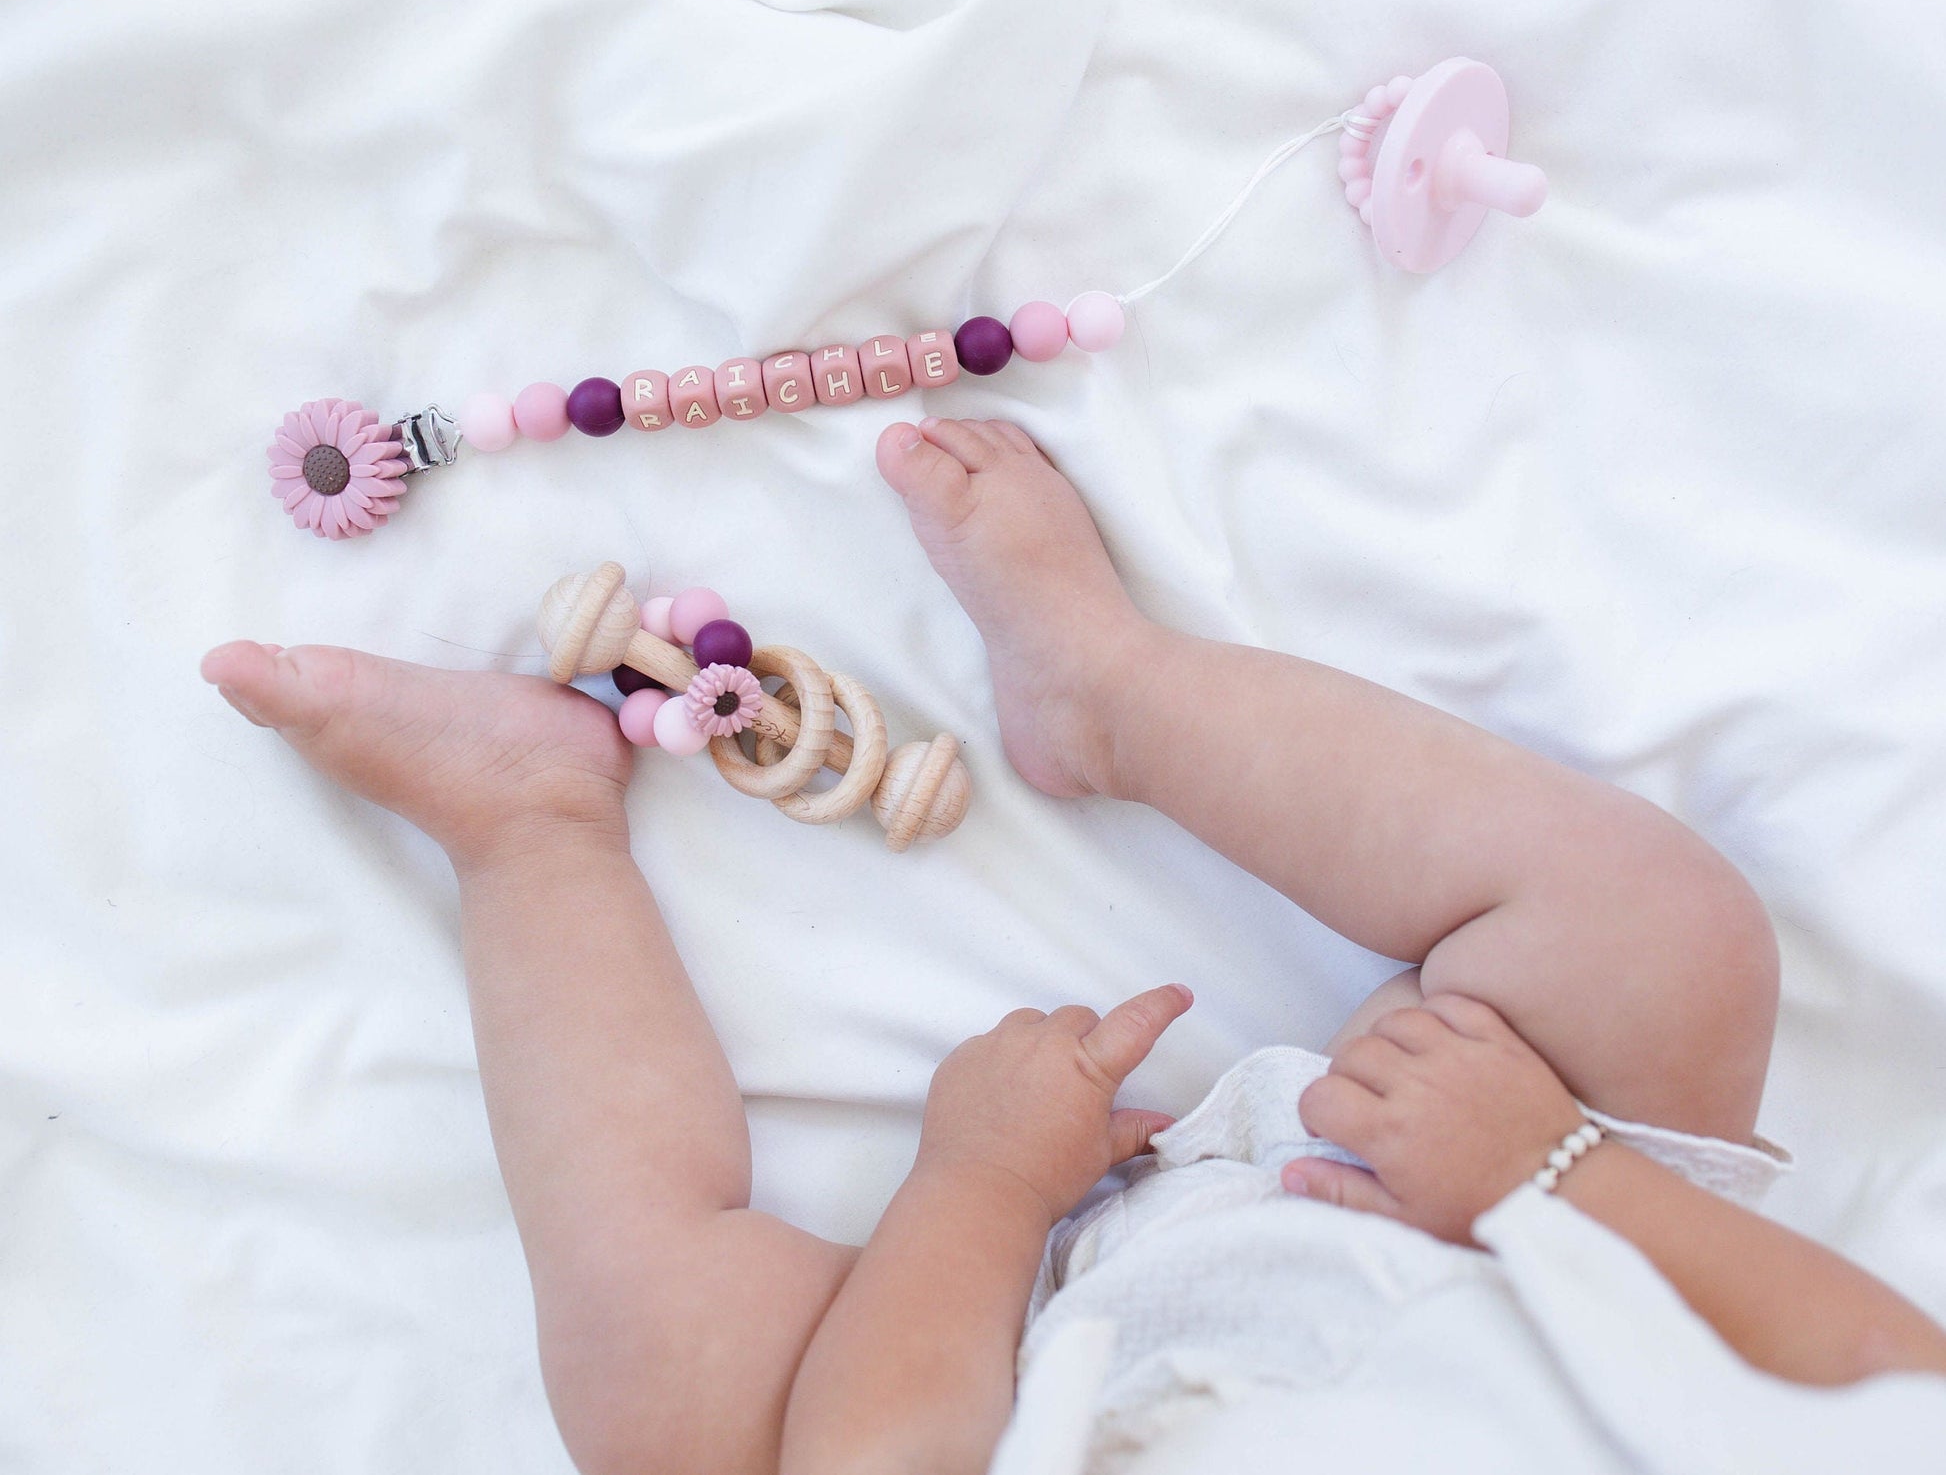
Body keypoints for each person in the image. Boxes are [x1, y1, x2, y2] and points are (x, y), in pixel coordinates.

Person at [201, 416, 1946, 1475]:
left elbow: (869, 1451)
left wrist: (977, 1187)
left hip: (1018, 1361)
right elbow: (1888, 1375)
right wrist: (1551, 1168)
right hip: (1511, 1214)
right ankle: (1105, 688)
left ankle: (530, 832)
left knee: (671, 1403)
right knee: (1661, 941)